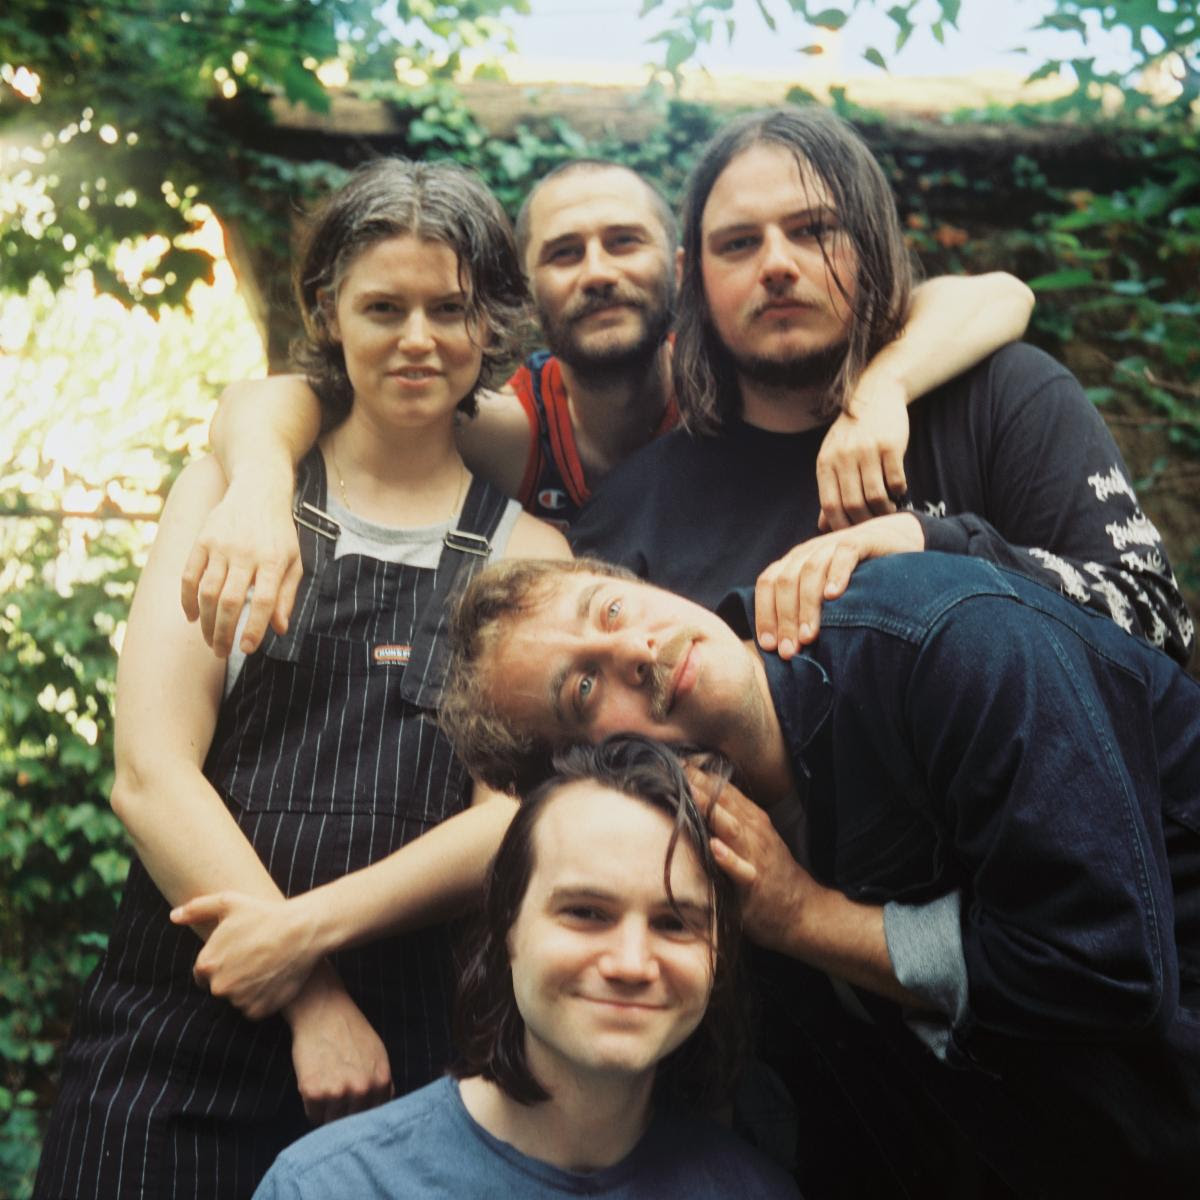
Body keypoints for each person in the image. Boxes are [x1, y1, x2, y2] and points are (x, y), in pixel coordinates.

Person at [33, 159, 569, 1200]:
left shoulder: (528, 553)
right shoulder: (229, 494)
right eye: (383, 307)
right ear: (326, 310)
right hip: (171, 1040)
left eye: (449, 309)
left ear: (491, 321)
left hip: (400, 1061)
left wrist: (303, 937)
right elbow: (150, 775)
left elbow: (506, 820)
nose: (418, 339)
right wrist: (309, 997)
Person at [437, 555, 1200, 1198]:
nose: (636, 648)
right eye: (582, 690)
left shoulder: (948, 639)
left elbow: (1110, 966)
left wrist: (807, 919)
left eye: (610, 609)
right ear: (586, 775)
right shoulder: (687, 861)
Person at [180, 154, 1034, 658]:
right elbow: (290, 397)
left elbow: (999, 295)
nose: (597, 271)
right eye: (564, 253)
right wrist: (258, 487)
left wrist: (880, 392)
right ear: (524, 294)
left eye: (624, 242)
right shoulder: (512, 431)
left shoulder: (741, 392)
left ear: (680, 268)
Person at [569, 106, 1194, 665]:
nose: (777, 264)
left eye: (814, 230)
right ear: (692, 277)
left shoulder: (1003, 401)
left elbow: (1160, 626)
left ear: (872, 242)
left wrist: (936, 549)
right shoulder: (631, 516)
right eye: (739, 243)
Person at [251, 736, 799, 1199]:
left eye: (675, 923)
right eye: (586, 913)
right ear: (506, 927)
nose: (632, 963)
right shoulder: (332, 1186)